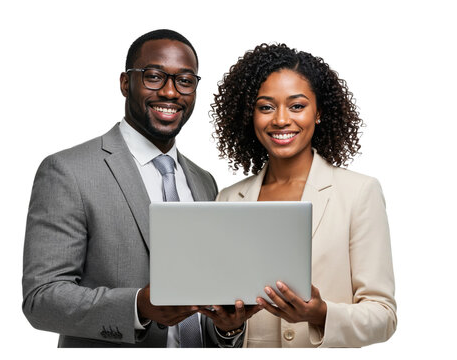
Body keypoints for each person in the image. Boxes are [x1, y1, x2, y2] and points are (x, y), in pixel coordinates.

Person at [22, 29, 258, 348]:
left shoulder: (204, 181)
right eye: (154, 76)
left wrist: (226, 327)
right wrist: (139, 307)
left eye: (185, 80)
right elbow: (42, 299)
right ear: (125, 83)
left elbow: (205, 302)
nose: (171, 92)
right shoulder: (68, 171)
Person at [211, 43, 397, 347]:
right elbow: (225, 312)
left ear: (319, 112)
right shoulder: (229, 199)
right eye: (266, 107)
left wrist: (321, 314)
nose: (281, 120)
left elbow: (384, 316)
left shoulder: (359, 193)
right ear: (250, 114)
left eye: (297, 106)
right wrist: (228, 327)